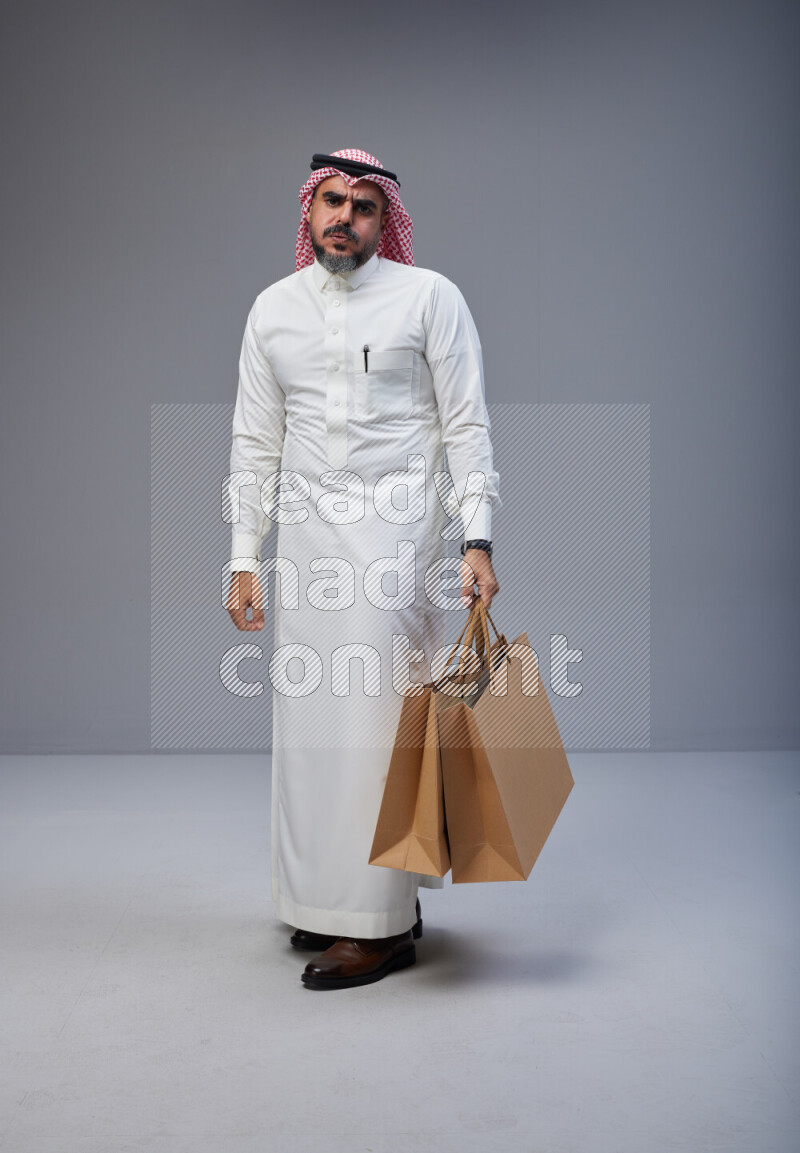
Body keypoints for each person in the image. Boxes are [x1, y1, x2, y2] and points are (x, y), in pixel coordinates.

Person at [225, 149, 500, 990]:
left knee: (379, 731)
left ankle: (379, 928)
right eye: (331, 201)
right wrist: (244, 557)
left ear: (387, 222)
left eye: (363, 206)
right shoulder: (273, 310)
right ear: (309, 212)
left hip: (397, 540)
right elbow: (254, 442)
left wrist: (477, 540)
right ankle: (331, 902)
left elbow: (467, 426)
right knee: (312, 736)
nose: (344, 216)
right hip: (307, 547)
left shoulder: (430, 298)